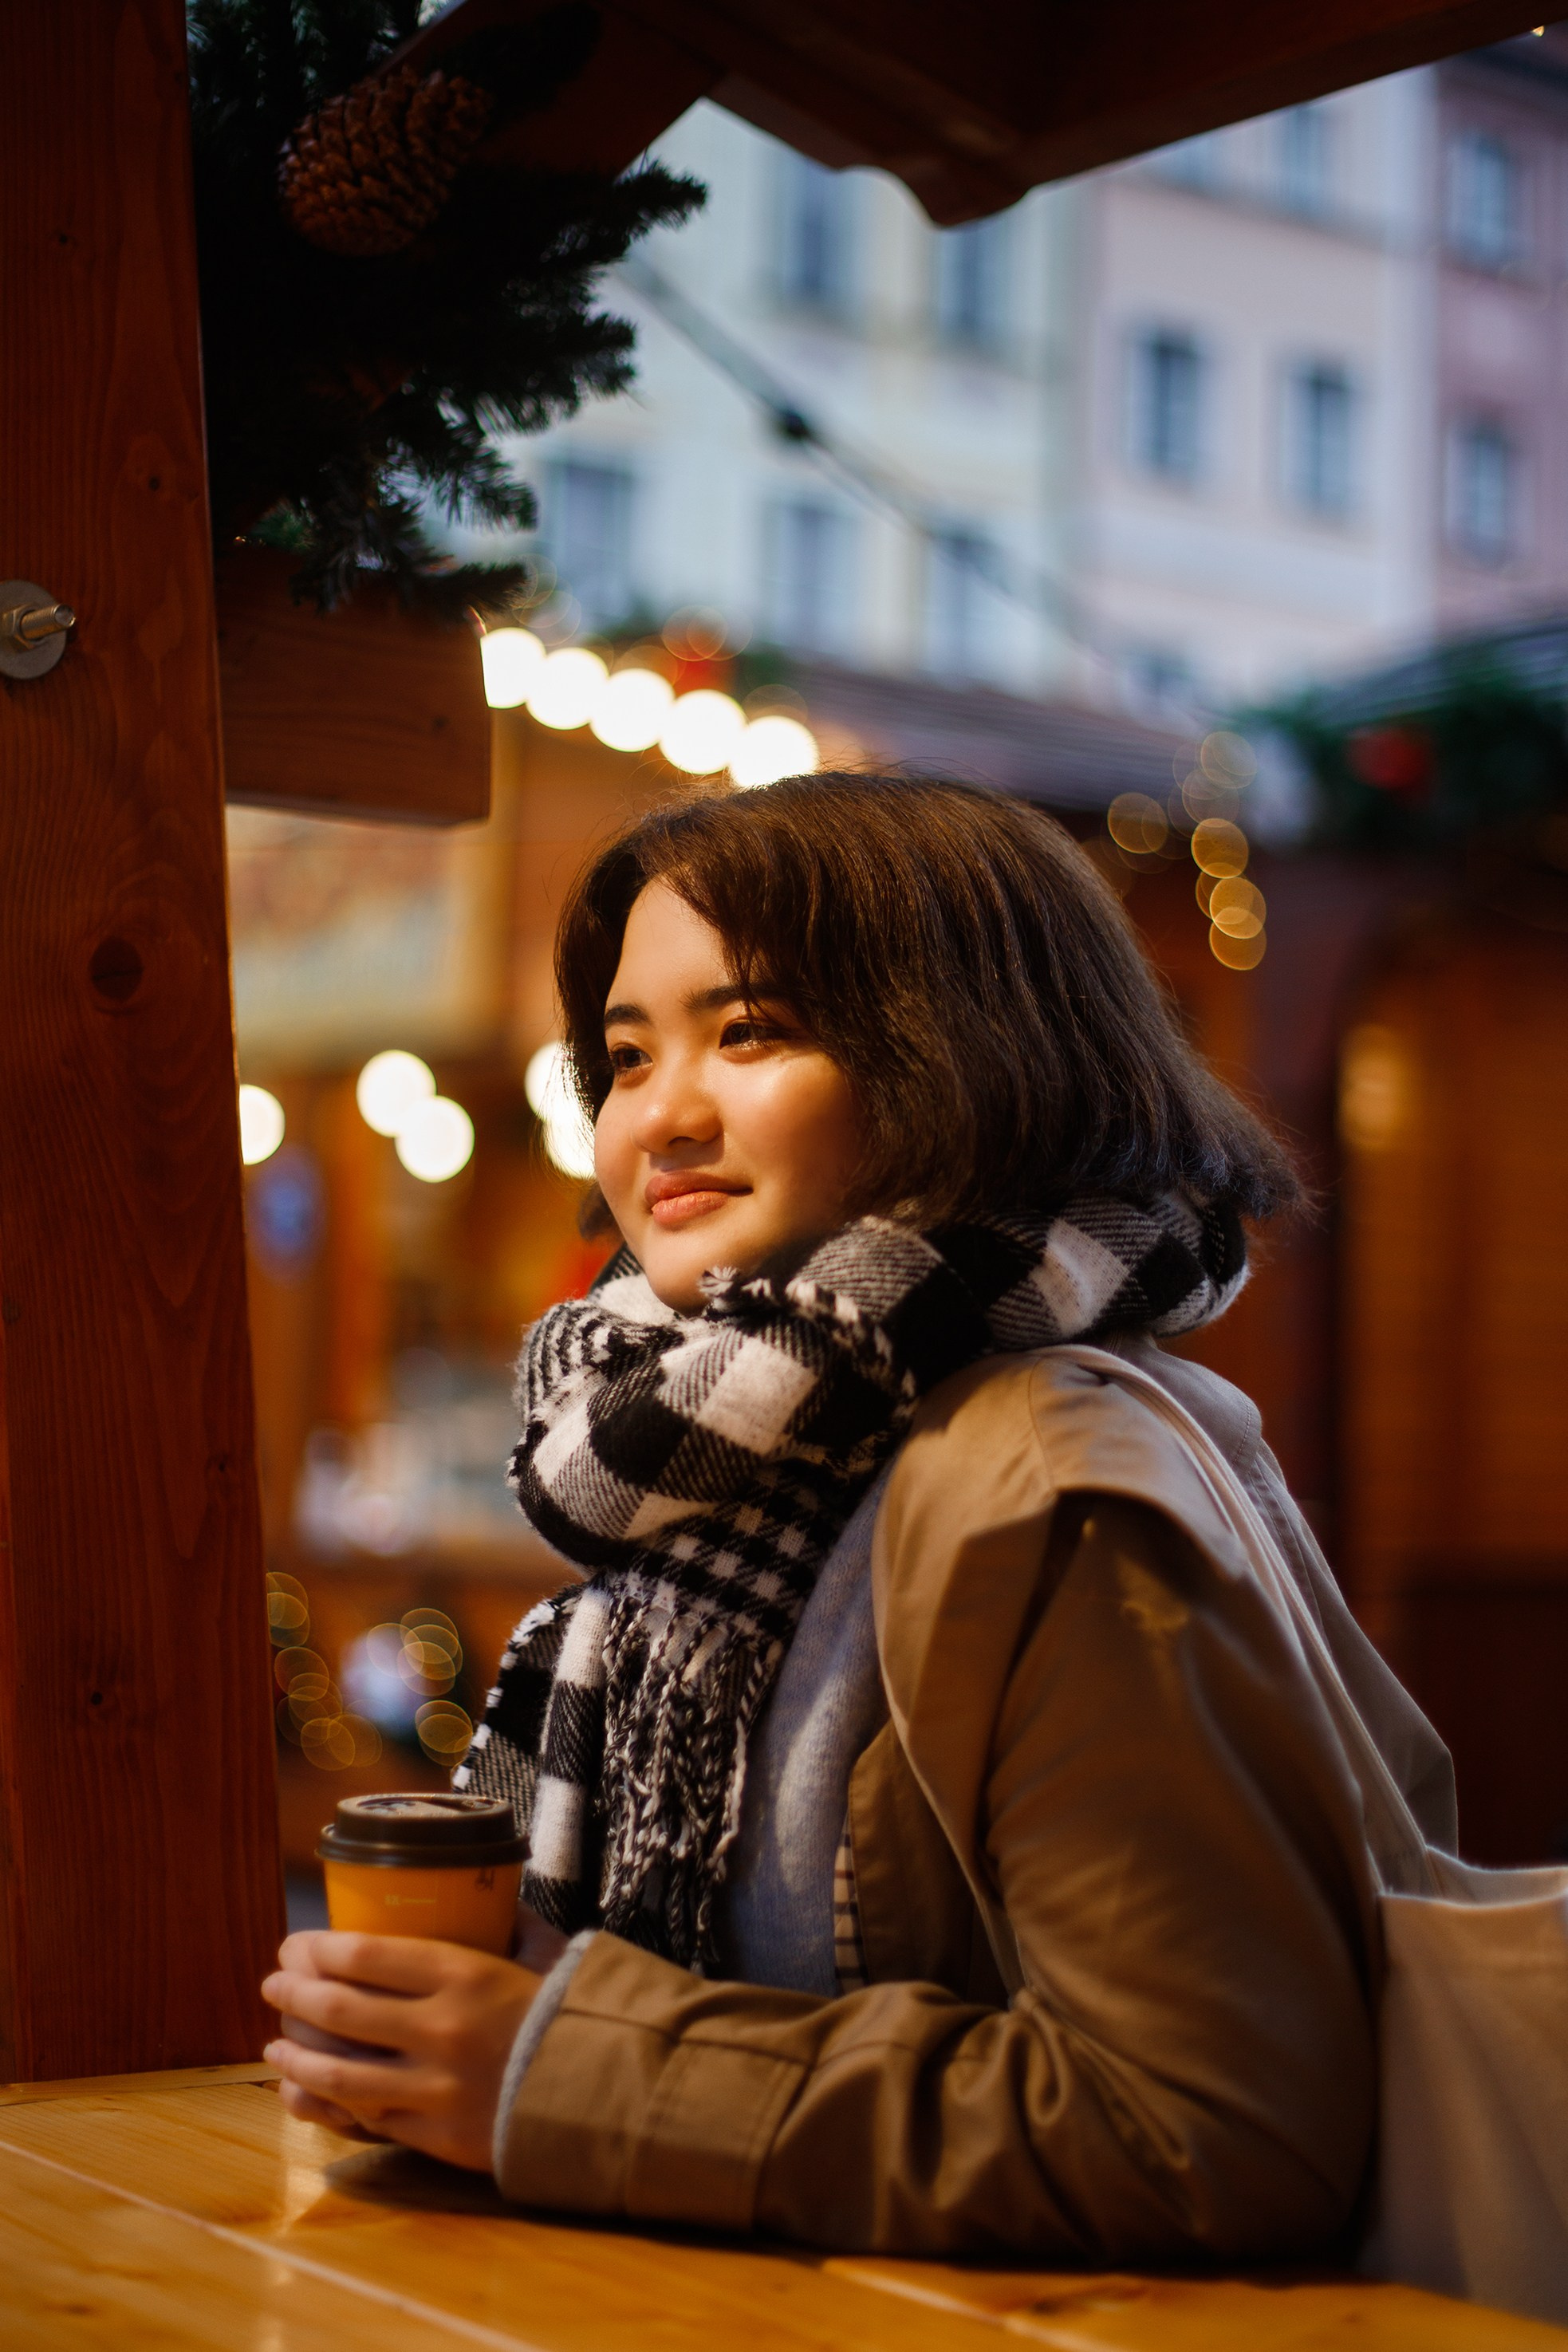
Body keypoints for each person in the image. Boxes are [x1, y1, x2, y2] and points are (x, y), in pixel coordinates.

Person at [263, 773, 1456, 2262]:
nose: (665, 1114)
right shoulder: (713, 1469)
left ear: (967, 1053)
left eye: (751, 1031)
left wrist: (563, 2067)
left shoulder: (1041, 1481)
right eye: (626, 1057)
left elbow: (1209, 2129)